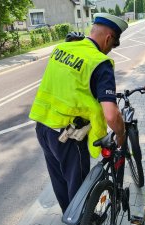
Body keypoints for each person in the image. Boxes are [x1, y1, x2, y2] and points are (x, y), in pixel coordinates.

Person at [28, 13, 128, 213]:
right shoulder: (100, 63)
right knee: (80, 194)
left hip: (44, 129)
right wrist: (121, 134)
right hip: (70, 140)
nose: (111, 50)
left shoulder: (61, 48)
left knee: (60, 184)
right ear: (109, 38)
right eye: (114, 45)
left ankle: (69, 216)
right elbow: (111, 115)